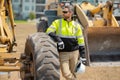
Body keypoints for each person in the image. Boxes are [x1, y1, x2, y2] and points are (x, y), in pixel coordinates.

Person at [46, 5, 85, 80]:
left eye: (65, 12)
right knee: (66, 73)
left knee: (74, 72)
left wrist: (83, 55)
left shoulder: (77, 26)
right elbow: (49, 31)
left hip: (74, 53)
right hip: (63, 53)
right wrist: (59, 40)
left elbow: (81, 41)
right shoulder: (57, 22)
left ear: (70, 13)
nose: (63, 13)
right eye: (62, 12)